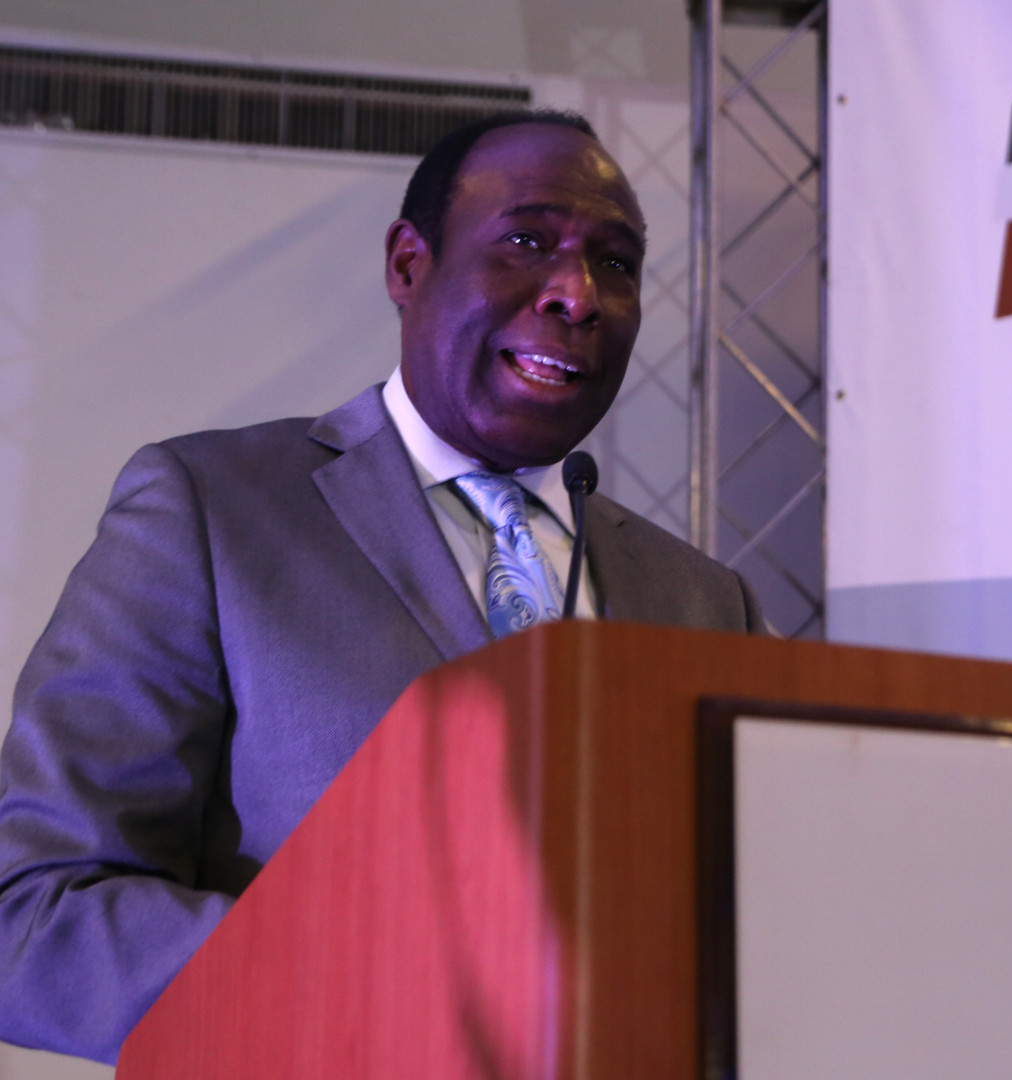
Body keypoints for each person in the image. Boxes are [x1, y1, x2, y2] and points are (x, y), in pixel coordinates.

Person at [0, 110, 761, 1063]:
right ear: (408, 264)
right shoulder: (210, 511)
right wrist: (364, 980)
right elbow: (32, 912)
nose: (578, 293)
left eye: (616, 262)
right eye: (529, 242)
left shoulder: (707, 604)